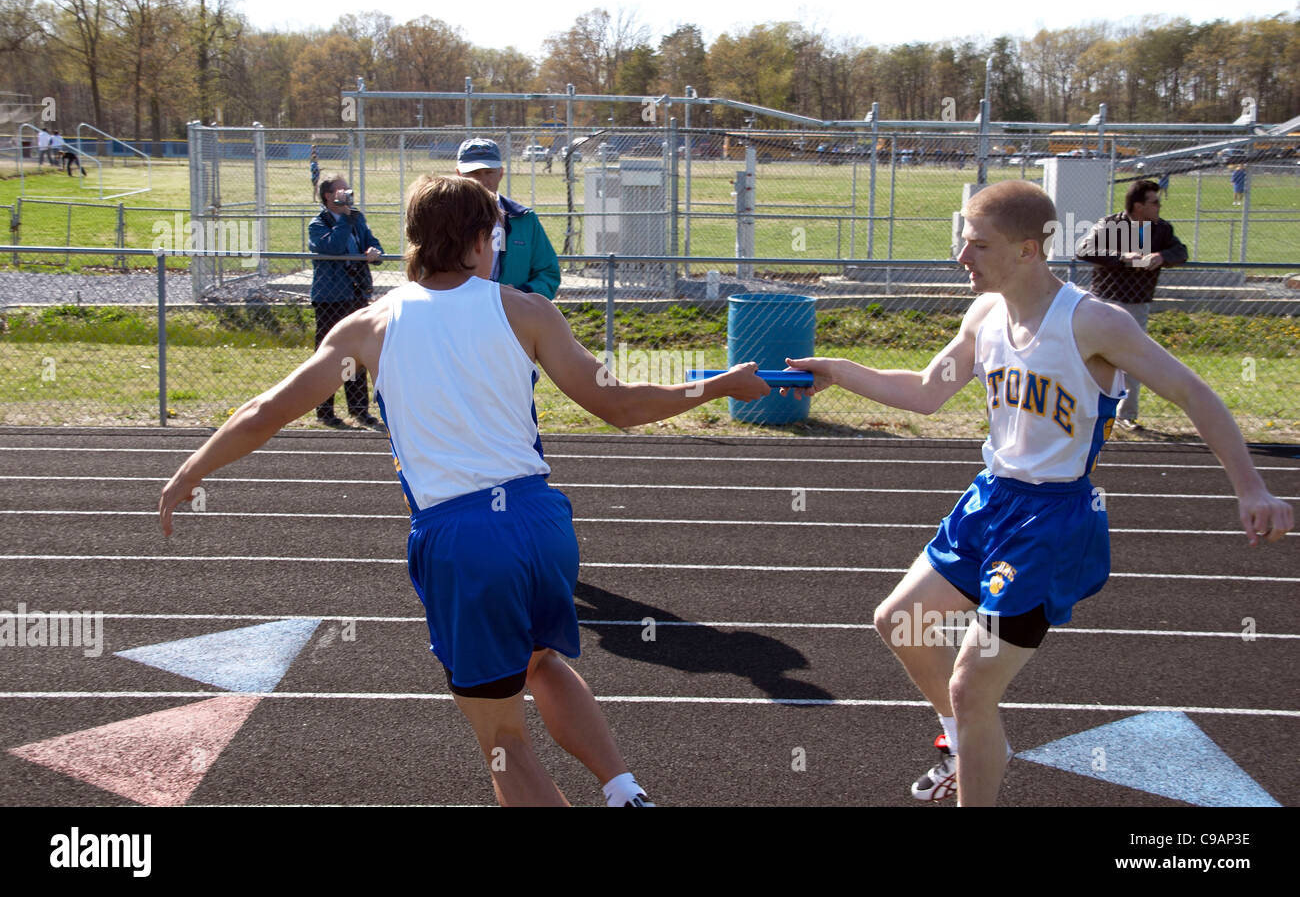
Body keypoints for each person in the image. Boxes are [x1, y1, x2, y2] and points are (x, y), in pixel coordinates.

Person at [158, 174, 770, 806]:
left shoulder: (368, 328)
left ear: (412, 241)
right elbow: (615, 404)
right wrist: (718, 384)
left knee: (503, 741)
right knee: (541, 662)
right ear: (483, 241)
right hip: (541, 521)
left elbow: (266, 410)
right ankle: (623, 790)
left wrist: (192, 470)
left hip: (463, 537)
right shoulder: (526, 309)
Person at [782, 180, 1292, 807]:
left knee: (972, 686)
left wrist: (1252, 488)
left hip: (1051, 520)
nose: (962, 258)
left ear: (1028, 249)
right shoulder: (985, 314)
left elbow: (1194, 393)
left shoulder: (1092, 321)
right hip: (990, 499)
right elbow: (924, 391)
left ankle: (975, 753)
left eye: (977, 245)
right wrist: (838, 371)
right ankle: (966, 745)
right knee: (901, 624)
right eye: (962, 242)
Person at [1074, 178, 1187, 431]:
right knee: (1096, 357)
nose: (1159, 206)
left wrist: (1161, 256)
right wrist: (1123, 257)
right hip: (1106, 300)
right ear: (1138, 206)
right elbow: (1083, 249)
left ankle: (1126, 415)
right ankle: (1087, 412)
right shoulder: (1111, 224)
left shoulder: (1161, 230)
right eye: (1154, 202)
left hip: (1138, 303)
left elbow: (1181, 252)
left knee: (1134, 361)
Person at [308, 174, 384, 428]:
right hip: (331, 298)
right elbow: (333, 247)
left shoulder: (356, 217)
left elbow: (371, 242)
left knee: (356, 355)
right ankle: (325, 411)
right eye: (341, 190)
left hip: (356, 294)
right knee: (327, 356)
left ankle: (359, 409)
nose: (347, 193)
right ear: (328, 196)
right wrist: (343, 219)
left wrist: (374, 252)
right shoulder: (318, 224)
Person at [455, 138, 561, 299]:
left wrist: (519, 295)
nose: (482, 181)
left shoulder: (524, 219)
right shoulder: (443, 218)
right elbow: (425, 271)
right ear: (458, 174)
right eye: (474, 173)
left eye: (489, 172)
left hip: (510, 317)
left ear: (501, 173)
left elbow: (548, 273)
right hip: (458, 311)